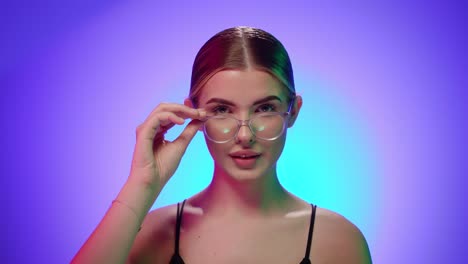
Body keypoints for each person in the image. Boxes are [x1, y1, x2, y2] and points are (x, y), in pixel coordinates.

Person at [72, 26, 372, 264]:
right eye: (222, 110)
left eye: (265, 108)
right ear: (193, 113)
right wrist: (141, 187)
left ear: (293, 111)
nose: (244, 135)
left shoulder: (338, 241)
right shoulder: (152, 234)